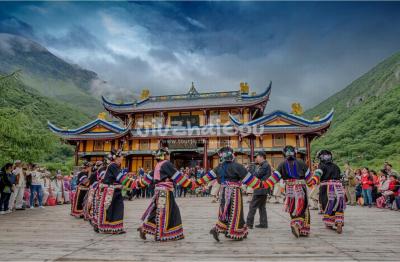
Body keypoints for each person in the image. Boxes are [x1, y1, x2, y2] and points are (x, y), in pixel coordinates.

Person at [196, 146, 268, 242]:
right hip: (234, 192)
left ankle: (217, 229)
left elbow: (205, 178)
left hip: (223, 192)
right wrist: (264, 184)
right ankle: (236, 232)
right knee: (235, 212)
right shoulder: (237, 166)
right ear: (232, 155)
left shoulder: (218, 167)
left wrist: (192, 184)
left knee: (225, 212)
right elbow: (250, 180)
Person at [137, 148, 196, 241]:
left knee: (156, 211)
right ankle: (172, 234)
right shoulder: (166, 164)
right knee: (171, 211)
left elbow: (148, 178)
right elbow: (177, 176)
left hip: (159, 192)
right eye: (168, 154)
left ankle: (144, 229)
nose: (169, 156)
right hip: (165, 192)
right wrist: (190, 184)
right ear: (164, 155)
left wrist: (138, 183)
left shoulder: (158, 165)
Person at [262, 145, 313, 238]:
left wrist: (262, 185)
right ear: (295, 153)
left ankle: (296, 223)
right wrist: (314, 179)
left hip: (289, 188)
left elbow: (274, 178)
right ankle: (298, 226)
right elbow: (309, 179)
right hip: (300, 187)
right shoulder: (301, 162)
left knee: (292, 207)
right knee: (303, 206)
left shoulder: (282, 164)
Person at [95, 149, 136, 234]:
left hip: (116, 190)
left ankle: (116, 228)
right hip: (109, 190)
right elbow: (120, 178)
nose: (122, 158)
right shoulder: (113, 165)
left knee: (118, 208)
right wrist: (134, 183)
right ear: (116, 157)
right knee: (110, 208)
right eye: (121, 156)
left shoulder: (116, 166)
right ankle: (106, 227)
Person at [312, 150, 346, 234]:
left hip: (327, 187)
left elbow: (317, 176)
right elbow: (341, 177)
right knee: (338, 205)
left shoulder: (321, 166)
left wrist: (311, 181)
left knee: (327, 204)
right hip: (338, 187)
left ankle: (329, 223)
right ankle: (339, 221)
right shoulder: (336, 166)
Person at [246, 151, 271, 229]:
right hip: (263, 189)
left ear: (261, 157)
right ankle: (263, 223)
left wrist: (250, 169)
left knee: (252, 206)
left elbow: (257, 175)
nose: (256, 159)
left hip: (260, 189)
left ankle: (249, 224)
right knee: (262, 207)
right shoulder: (263, 165)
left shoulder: (265, 165)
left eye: (257, 157)